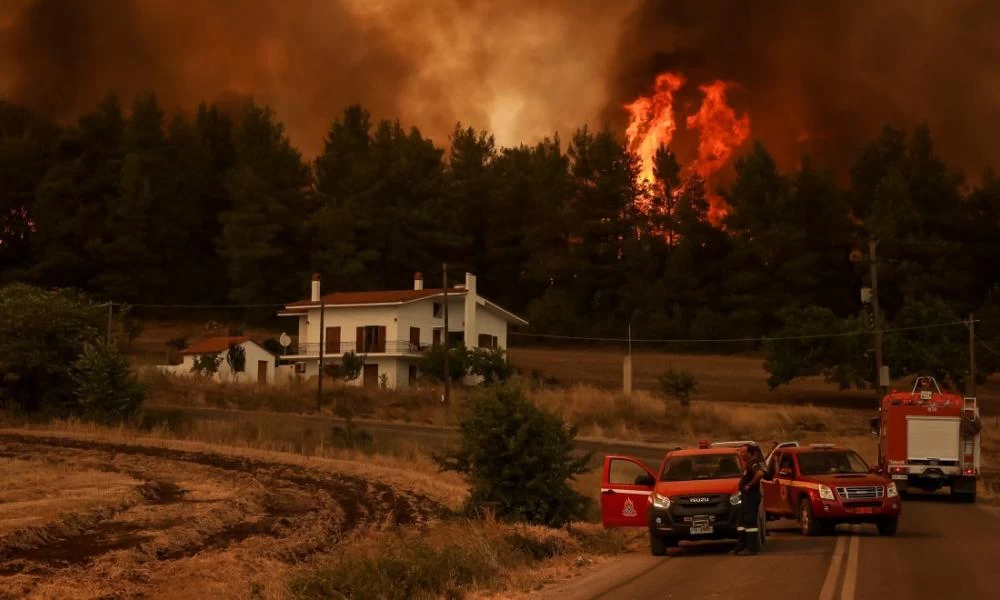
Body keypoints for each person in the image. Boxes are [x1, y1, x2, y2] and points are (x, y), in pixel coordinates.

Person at [730, 445, 766, 555]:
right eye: (740, 452)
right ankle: (741, 546)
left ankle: (752, 548)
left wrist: (749, 485)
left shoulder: (753, 463)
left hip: (751, 496)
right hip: (745, 497)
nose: (741, 454)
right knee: (742, 521)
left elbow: (760, 474)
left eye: (743, 452)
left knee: (750, 523)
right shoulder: (748, 464)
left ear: (749, 453)